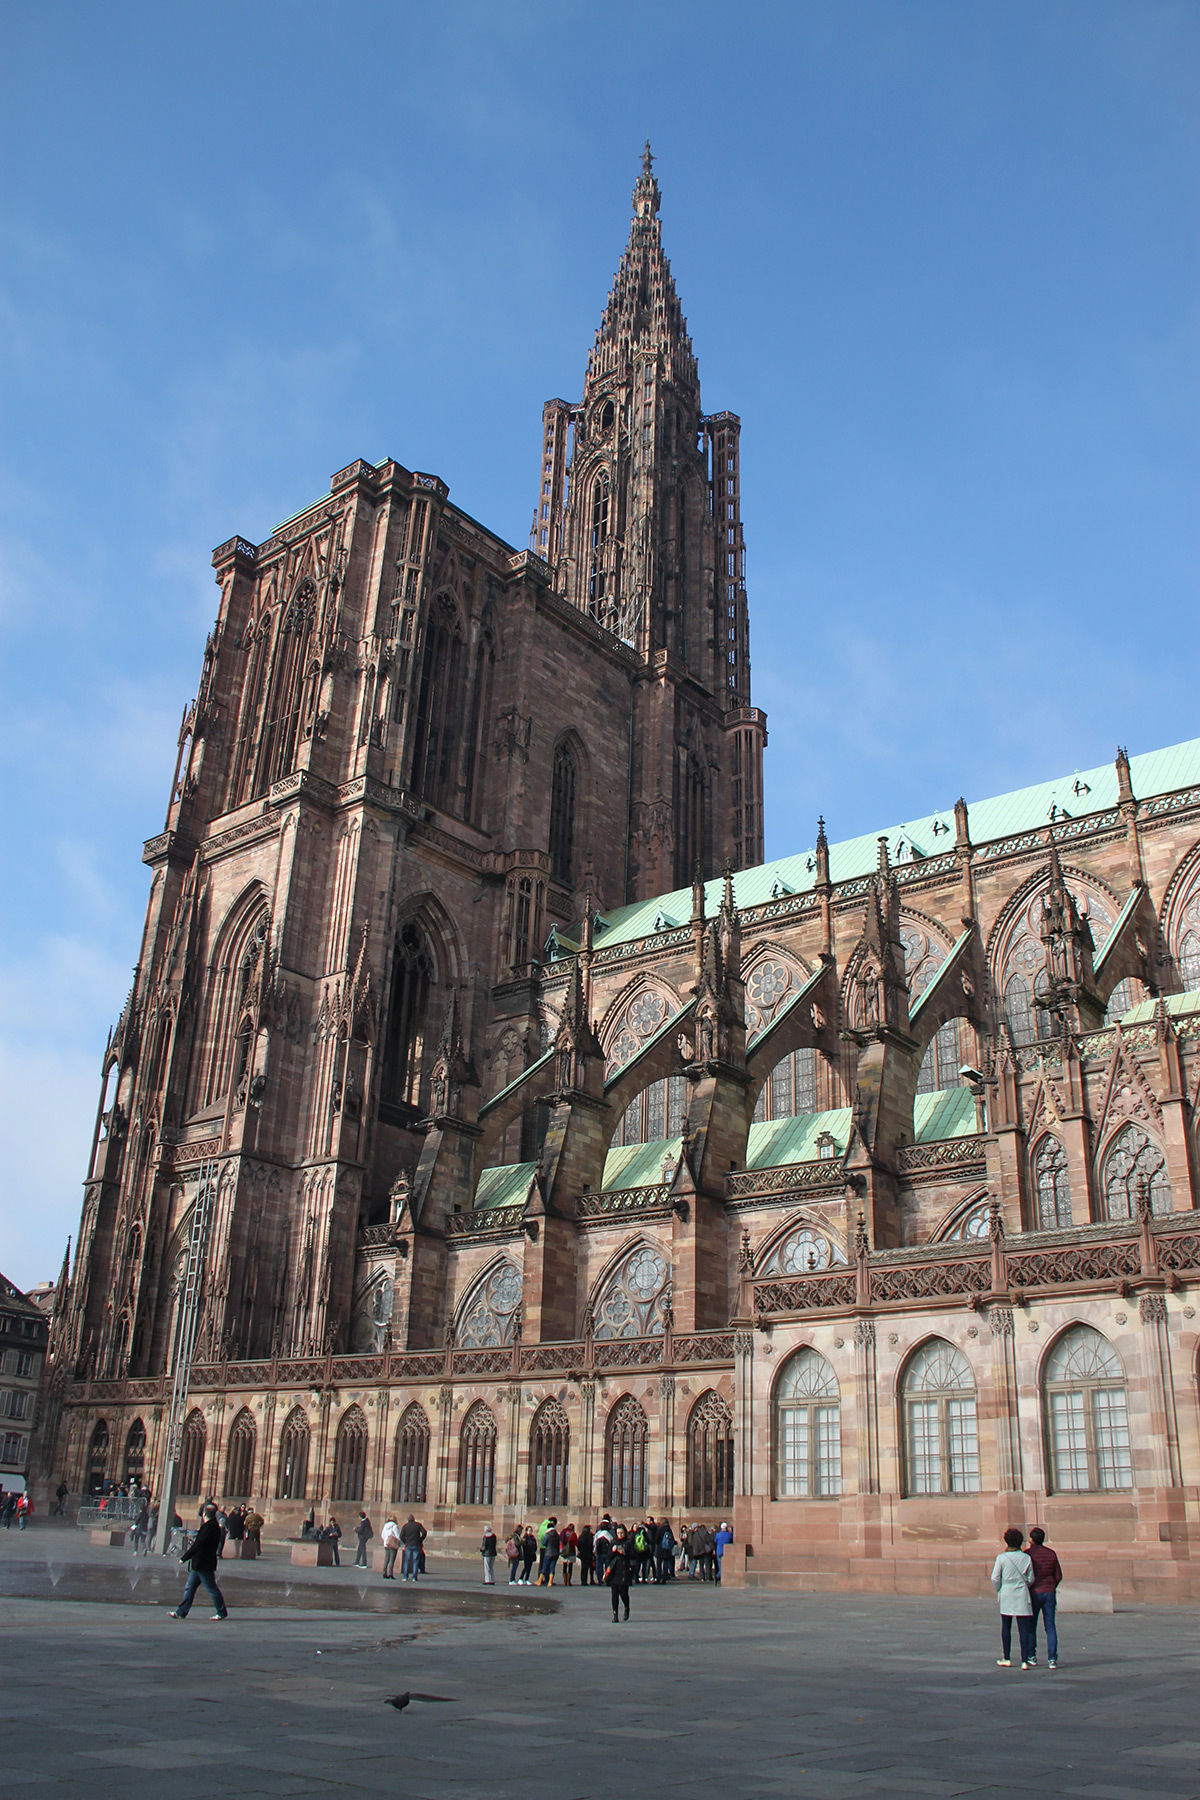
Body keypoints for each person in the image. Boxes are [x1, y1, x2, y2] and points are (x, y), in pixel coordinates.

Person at [170, 1504, 228, 1620]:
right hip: (199, 1564)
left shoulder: (209, 1527)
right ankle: (181, 1612)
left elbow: (199, 1545)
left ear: (204, 1514)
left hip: (203, 1564)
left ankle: (221, 1612)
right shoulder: (212, 1526)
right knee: (189, 1587)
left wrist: (184, 1557)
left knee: (211, 1588)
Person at [991, 1527, 1034, 1669]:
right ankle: (1024, 1660)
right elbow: (1031, 1578)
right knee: (1023, 1628)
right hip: (1021, 1592)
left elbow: (995, 1578)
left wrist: (1000, 1589)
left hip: (1007, 1592)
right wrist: (1024, 1585)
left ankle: (1007, 1657)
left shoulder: (1002, 1558)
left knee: (1006, 1626)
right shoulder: (1026, 1558)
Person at [1026, 1527, 1063, 1669]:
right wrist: (1052, 1585)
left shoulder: (1028, 1554)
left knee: (1031, 1626)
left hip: (1034, 1592)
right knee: (1050, 1626)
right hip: (1049, 1592)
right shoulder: (1051, 1554)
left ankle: (1031, 1655)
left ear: (1032, 1539)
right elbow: (1058, 1575)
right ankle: (1052, 1658)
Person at [606, 1524, 631, 1622]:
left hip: (624, 1571)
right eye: (618, 1533)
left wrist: (624, 1552)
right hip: (614, 1571)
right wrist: (612, 1551)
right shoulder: (613, 1542)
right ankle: (615, 1614)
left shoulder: (628, 1543)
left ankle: (626, 1607)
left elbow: (633, 1555)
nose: (620, 1535)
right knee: (614, 1594)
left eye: (622, 1533)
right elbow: (608, 1557)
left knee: (624, 1593)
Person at [399, 1514, 425, 1581]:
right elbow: (424, 1532)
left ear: (408, 1519)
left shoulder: (405, 1526)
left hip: (409, 1545)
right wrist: (420, 1540)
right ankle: (414, 1577)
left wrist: (405, 1542)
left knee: (407, 1561)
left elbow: (401, 1536)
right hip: (416, 1545)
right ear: (414, 1519)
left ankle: (405, 1577)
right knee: (415, 1561)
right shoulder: (418, 1525)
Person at [538, 1519, 561, 1585]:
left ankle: (540, 1581)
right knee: (552, 1567)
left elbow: (544, 1543)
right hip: (555, 1553)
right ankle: (550, 1582)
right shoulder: (557, 1535)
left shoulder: (547, 1534)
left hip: (548, 1552)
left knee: (544, 1566)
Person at [593, 1516, 613, 1585]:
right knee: (607, 1567)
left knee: (599, 1566)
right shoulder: (610, 1534)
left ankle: (599, 1579)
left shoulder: (598, 1534)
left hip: (599, 1553)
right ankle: (607, 1579)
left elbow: (595, 1543)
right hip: (607, 1553)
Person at [656, 1518, 676, 1583]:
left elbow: (657, 1539)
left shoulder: (660, 1529)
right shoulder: (669, 1530)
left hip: (660, 1549)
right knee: (666, 1564)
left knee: (659, 1564)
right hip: (667, 1550)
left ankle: (658, 1578)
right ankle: (664, 1578)